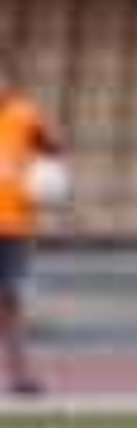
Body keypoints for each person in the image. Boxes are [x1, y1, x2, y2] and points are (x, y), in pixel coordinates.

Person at [0, 55, 63, 397]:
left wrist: (46, 180)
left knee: (11, 302)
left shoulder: (25, 116)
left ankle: (20, 376)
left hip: (15, 227)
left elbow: (52, 151)